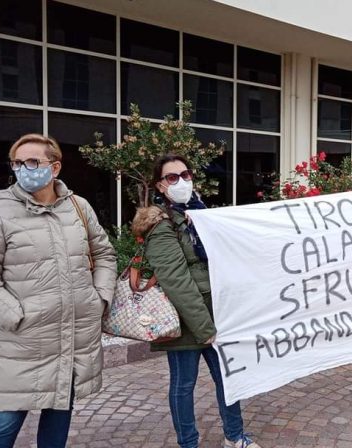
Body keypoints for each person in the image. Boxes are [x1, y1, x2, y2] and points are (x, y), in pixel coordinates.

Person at [0, 134, 117, 447]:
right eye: (18, 163)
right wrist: (15, 315)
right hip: (24, 341)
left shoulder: (78, 207)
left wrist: (99, 299)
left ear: (54, 167)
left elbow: (105, 254)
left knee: (59, 416)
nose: (24, 169)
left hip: (72, 338)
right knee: (2, 425)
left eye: (33, 162)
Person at [132, 154, 260, 448]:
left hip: (218, 314)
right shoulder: (161, 225)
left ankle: (235, 436)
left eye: (185, 175)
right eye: (172, 177)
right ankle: (188, 443)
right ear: (161, 186)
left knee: (229, 378)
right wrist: (205, 328)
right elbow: (176, 281)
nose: (181, 181)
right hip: (187, 320)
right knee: (183, 385)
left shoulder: (201, 216)